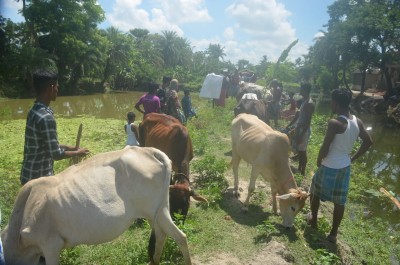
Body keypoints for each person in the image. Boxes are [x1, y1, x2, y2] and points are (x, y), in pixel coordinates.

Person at [308, 88, 372, 244]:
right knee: (340, 201)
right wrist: (352, 158)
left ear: (335, 103)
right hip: (344, 167)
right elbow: (368, 142)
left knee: (314, 192)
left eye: (332, 102)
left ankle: (314, 221)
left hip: (329, 164)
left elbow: (325, 146)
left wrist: (319, 159)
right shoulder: (358, 121)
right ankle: (333, 234)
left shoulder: (334, 123)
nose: (331, 104)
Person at [20, 69, 89, 185]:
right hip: (39, 179)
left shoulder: (34, 110)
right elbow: (56, 154)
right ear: (51, 88)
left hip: (28, 174)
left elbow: (44, 145)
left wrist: (70, 147)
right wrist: (78, 153)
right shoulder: (46, 117)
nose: (58, 90)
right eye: (57, 86)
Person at [285, 83, 315, 175]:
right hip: (300, 128)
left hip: (304, 130)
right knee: (300, 150)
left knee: (303, 151)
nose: (300, 90)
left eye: (301, 89)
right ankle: (299, 168)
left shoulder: (309, 103)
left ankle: (302, 171)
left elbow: (308, 121)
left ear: (305, 90)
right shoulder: (305, 101)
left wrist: (301, 135)